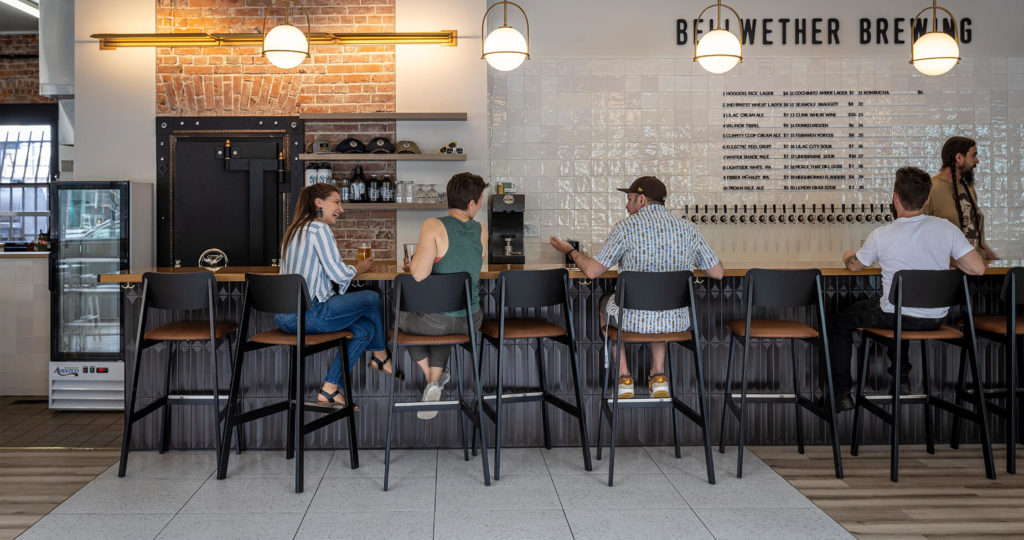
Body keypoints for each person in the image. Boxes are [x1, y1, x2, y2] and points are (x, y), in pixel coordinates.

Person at [550, 176, 724, 399]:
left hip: (630, 321)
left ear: (641, 200)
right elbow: (717, 273)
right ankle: (659, 375)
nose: (626, 205)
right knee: (660, 304)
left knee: (606, 301)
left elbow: (592, 271)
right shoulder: (689, 229)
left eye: (629, 198)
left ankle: (624, 377)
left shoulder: (626, 228)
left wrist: (570, 251)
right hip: (677, 321)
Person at [829, 166, 986, 411]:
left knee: (843, 322)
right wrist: (948, 257)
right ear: (926, 200)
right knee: (894, 309)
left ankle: (841, 394)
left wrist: (848, 255)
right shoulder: (945, 228)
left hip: (897, 317)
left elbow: (856, 266)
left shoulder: (882, 235)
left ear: (895, 197)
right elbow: (978, 269)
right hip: (936, 319)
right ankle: (900, 379)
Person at [274, 183, 396, 409]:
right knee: (372, 298)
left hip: (285, 318)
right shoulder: (319, 229)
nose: (341, 209)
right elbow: (338, 274)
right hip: (310, 314)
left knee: (365, 329)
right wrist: (358, 268)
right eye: (337, 202)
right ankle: (380, 354)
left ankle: (330, 389)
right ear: (318, 203)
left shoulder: (292, 230)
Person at [401, 172, 488, 419]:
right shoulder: (482, 230)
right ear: (471, 203)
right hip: (470, 321)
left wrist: (416, 262)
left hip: (437, 322)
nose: (480, 205)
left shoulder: (433, 225)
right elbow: (469, 265)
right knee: (446, 321)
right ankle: (435, 381)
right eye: (480, 200)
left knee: (401, 313)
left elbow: (418, 274)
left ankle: (430, 375)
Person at [923, 136, 998, 260]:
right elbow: (920, 235)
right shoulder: (930, 188)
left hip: (977, 269)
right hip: (952, 273)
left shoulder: (968, 188)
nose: (977, 161)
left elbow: (973, 235)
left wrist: (994, 261)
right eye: (973, 155)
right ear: (959, 158)